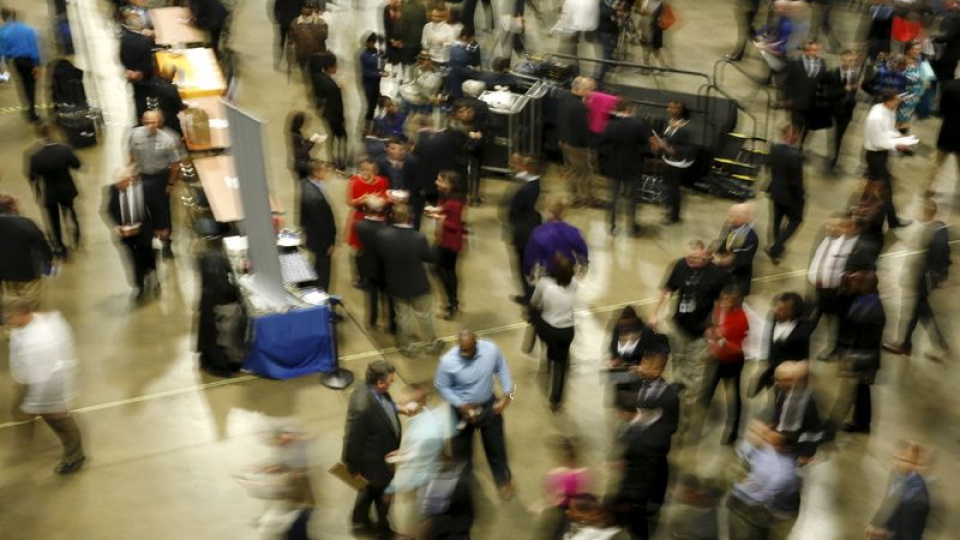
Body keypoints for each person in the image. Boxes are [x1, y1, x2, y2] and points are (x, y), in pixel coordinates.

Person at [4, 298, 86, 474]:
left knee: (58, 420)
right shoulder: (26, 324)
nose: (8, 321)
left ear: (24, 314)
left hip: (48, 385)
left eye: (11, 317)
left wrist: (33, 405)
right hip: (29, 379)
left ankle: (75, 456)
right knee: (18, 411)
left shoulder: (39, 342)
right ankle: (27, 445)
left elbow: (43, 379)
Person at [434, 330, 516, 500]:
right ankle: (464, 487)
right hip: (460, 412)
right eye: (462, 350)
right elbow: (441, 386)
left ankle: (504, 481)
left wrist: (508, 395)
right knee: (461, 454)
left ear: (476, 345)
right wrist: (459, 404)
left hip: (488, 407)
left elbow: (502, 367)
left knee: (497, 449)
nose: (464, 354)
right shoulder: (448, 361)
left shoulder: (490, 350)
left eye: (468, 350)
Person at [649, 240, 726, 417]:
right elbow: (666, 290)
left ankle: (689, 400)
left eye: (696, 258)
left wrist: (716, 326)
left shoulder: (715, 274)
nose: (691, 261)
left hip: (701, 331)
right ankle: (678, 391)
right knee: (678, 359)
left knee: (695, 367)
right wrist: (655, 314)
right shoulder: (679, 266)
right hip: (679, 325)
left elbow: (722, 302)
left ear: (704, 254)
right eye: (689, 257)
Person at [883, 200, 951, 361]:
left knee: (923, 312)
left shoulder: (935, 233)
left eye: (922, 211)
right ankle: (905, 345)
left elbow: (938, 258)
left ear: (928, 213)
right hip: (922, 279)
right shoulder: (936, 228)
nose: (919, 214)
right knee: (916, 312)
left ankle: (939, 346)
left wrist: (938, 277)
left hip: (924, 281)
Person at [807, 213, 880, 360]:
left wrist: (849, 289)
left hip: (839, 293)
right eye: (829, 224)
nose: (831, 228)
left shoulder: (858, 246)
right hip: (820, 289)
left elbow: (867, 273)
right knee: (815, 317)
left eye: (837, 226)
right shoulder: (827, 237)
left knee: (840, 322)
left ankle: (838, 349)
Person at [343, 360, 402, 539]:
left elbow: (383, 406)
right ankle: (384, 531)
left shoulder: (370, 387)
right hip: (375, 463)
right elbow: (352, 439)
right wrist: (352, 469)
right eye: (391, 381)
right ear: (380, 382)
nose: (392, 384)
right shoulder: (363, 407)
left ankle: (359, 518)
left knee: (367, 489)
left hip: (377, 458)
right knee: (383, 496)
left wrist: (398, 408)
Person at [608, 388, 676, 540]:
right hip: (643, 490)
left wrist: (627, 498)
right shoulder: (645, 420)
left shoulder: (643, 438)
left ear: (625, 413)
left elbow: (644, 472)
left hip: (639, 495)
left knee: (638, 530)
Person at [375, 204, 442, 355]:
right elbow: (430, 258)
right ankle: (431, 344)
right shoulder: (418, 238)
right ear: (410, 217)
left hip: (396, 284)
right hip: (418, 284)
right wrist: (437, 240)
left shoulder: (382, 235)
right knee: (425, 316)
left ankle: (406, 347)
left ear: (392, 217)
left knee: (402, 317)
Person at [830, 270, 885, 435]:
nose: (853, 283)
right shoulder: (866, 299)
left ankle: (859, 423)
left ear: (865, 286)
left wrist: (848, 353)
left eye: (857, 282)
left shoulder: (871, 308)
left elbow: (853, 328)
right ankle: (861, 422)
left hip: (864, 357)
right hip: (864, 355)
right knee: (861, 391)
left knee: (858, 391)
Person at [726, 421, 801, 540]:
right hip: (751, 504)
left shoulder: (783, 470)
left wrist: (743, 483)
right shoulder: (755, 443)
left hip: (780, 514)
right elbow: (735, 464)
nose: (751, 435)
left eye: (775, 442)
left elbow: (760, 496)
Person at [127, 109, 183, 259]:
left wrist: (171, 183)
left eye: (154, 122)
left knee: (162, 212)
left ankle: (166, 243)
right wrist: (131, 172)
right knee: (142, 211)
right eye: (147, 122)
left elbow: (176, 164)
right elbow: (132, 154)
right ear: (142, 121)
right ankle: (149, 238)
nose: (151, 126)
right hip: (142, 177)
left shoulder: (167, 140)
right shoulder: (135, 134)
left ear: (160, 122)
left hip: (159, 179)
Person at [700, 285, 749, 446]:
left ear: (735, 301)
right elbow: (712, 326)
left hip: (733, 362)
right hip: (717, 360)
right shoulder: (719, 310)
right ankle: (697, 427)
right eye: (721, 299)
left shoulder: (741, 319)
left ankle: (734, 430)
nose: (722, 302)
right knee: (707, 392)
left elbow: (739, 349)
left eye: (726, 300)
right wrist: (710, 338)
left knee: (733, 397)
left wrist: (720, 340)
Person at [530, 255, 579, 411]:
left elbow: (534, 303)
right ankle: (555, 399)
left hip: (547, 329)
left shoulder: (544, 285)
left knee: (551, 347)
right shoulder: (575, 285)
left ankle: (549, 358)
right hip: (566, 331)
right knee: (562, 364)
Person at [27, 124, 82, 258]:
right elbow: (77, 165)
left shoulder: (35, 156)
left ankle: (60, 248)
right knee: (70, 212)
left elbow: (32, 176)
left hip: (49, 193)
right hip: (67, 189)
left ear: (39, 136)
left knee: (53, 221)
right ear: (52, 133)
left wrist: (37, 191)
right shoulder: (64, 150)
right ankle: (76, 237)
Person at [104, 167, 157, 302]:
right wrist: (118, 227)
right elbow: (108, 209)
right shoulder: (113, 190)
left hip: (144, 232)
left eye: (121, 182)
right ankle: (139, 287)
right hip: (126, 236)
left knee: (148, 255)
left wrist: (158, 228)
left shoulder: (144, 188)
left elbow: (155, 207)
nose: (118, 186)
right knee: (133, 261)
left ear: (129, 179)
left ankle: (152, 272)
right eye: (117, 183)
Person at [863, 89, 914, 229]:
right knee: (886, 190)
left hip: (882, 154)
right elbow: (878, 141)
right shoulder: (876, 117)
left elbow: (888, 131)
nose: (898, 102)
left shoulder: (888, 111)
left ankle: (860, 211)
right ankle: (893, 221)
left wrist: (899, 136)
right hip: (875, 156)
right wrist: (899, 145)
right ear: (888, 100)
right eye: (896, 100)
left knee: (871, 184)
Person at [599, 101, 651, 236]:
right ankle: (631, 227)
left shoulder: (610, 125)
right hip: (633, 167)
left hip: (614, 167)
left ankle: (611, 225)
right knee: (632, 199)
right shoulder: (639, 126)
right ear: (629, 109)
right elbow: (646, 149)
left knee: (613, 197)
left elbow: (603, 146)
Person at [865, 442, 931, 540]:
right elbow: (887, 501)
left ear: (915, 464)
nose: (897, 464)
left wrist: (884, 533)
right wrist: (874, 523)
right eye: (895, 458)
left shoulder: (919, 501)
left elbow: (910, 536)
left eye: (904, 460)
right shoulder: (897, 474)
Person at [425, 171, 466, 319]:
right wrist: (438, 212)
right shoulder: (446, 197)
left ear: (450, 184)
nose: (437, 182)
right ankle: (452, 302)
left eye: (441, 181)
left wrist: (438, 216)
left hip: (450, 241)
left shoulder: (455, 201)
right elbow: (445, 211)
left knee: (439, 268)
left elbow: (453, 225)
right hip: (445, 239)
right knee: (447, 270)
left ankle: (452, 301)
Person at [754, 292, 814, 394]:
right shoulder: (774, 317)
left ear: (794, 312)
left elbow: (804, 358)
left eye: (783, 310)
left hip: (792, 378)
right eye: (777, 307)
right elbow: (770, 341)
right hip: (776, 373)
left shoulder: (804, 330)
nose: (776, 311)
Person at [0, 194, 52, 309]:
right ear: (13, 208)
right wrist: (49, 261)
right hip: (28, 273)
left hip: (4, 275)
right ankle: (27, 321)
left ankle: (15, 321)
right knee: (30, 302)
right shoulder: (25, 223)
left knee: (12, 301)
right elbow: (42, 245)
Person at [523, 197, 589, 286]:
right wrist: (583, 268)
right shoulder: (574, 232)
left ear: (547, 211)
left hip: (546, 273)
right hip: (567, 273)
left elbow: (530, 258)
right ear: (562, 212)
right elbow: (583, 254)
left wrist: (528, 274)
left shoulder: (538, 233)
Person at [505, 154, 542, 303]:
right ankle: (531, 293)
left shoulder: (525, 190)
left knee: (523, 265)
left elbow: (513, 211)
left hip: (523, 231)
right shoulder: (536, 183)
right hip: (531, 227)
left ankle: (529, 295)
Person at [765, 125, 804, 264]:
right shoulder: (795, 156)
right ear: (790, 136)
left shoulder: (774, 148)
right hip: (790, 197)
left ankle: (776, 248)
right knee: (796, 220)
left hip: (776, 191)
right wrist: (801, 197)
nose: (797, 138)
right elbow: (797, 182)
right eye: (796, 135)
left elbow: (768, 166)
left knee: (776, 221)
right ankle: (776, 248)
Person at [768, 361, 823, 462]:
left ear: (793, 381)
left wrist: (807, 454)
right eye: (775, 379)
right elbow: (778, 411)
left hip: (792, 446)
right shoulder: (780, 389)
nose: (776, 383)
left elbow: (813, 430)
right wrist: (772, 425)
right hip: (777, 441)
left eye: (780, 380)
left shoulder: (808, 401)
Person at [649, 100, 694, 224]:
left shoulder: (686, 127)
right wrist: (658, 143)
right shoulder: (669, 123)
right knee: (668, 186)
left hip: (678, 162)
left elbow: (687, 148)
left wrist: (671, 149)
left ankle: (674, 215)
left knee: (673, 188)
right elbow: (665, 138)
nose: (670, 110)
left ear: (680, 110)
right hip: (667, 159)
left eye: (674, 108)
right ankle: (669, 210)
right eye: (669, 107)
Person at [346, 159, 389, 282]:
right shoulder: (354, 181)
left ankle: (377, 274)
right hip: (360, 217)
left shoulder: (382, 181)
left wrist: (380, 201)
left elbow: (385, 197)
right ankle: (361, 277)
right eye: (364, 170)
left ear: (376, 171)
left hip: (378, 217)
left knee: (377, 247)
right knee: (360, 249)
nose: (367, 173)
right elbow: (349, 202)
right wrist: (361, 199)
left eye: (371, 170)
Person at [558, 77, 596, 208]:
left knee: (571, 171)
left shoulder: (565, 96)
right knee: (584, 173)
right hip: (576, 146)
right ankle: (585, 199)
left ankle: (575, 197)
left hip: (563, 140)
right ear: (578, 89)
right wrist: (589, 145)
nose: (589, 92)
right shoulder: (580, 107)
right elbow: (583, 130)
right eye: (586, 89)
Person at [299, 161, 337, 292]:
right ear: (316, 173)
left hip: (313, 234)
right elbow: (322, 223)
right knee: (323, 271)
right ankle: (322, 297)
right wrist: (329, 243)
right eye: (323, 170)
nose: (326, 173)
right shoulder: (315, 198)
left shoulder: (305, 183)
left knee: (318, 267)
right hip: (321, 240)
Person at [784, 40, 831, 144]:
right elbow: (788, 83)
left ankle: (799, 150)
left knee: (807, 132)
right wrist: (788, 100)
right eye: (810, 50)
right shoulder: (796, 63)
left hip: (812, 106)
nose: (813, 52)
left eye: (815, 50)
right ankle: (790, 149)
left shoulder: (822, 64)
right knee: (795, 129)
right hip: (798, 104)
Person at [0, 8, 41, 122]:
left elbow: (1, 50)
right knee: (31, 85)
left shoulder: (2, 32)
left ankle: (27, 106)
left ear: (3, 17)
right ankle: (32, 112)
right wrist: (36, 64)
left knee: (22, 84)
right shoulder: (27, 29)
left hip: (15, 62)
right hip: (28, 60)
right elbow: (34, 48)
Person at [309, 52, 347, 173]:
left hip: (326, 113)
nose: (337, 67)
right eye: (335, 65)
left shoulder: (318, 76)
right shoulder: (332, 87)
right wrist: (342, 118)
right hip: (334, 115)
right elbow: (337, 106)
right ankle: (339, 161)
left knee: (332, 134)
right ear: (330, 67)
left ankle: (333, 158)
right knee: (341, 136)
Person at [923, 78, 960, 195]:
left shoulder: (950, 85)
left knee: (936, 162)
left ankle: (927, 186)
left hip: (947, 130)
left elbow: (942, 109)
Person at [118, 10, 156, 122]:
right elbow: (147, 65)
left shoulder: (121, 39)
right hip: (142, 79)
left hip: (127, 76)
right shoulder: (144, 42)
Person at [828, 50, 862, 172]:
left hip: (848, 110)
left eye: (851, 61)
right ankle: (834, 157)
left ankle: (836, 154)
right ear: (842, 60)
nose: (848, 63)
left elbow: (853, 91)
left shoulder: (854, 74)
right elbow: (830, 93)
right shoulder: (835, 73)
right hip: (837, 110)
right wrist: (844, 89)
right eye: (846, 61)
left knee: (840, 135)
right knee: (837, 135)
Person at [714, 203, 759, 295]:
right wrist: (717, 253)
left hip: (738, 277)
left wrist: (721, 261)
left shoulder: (750, 238)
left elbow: (742, 262)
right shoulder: (733, 227)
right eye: (730, 215)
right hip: (727, 271)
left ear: (742, 218)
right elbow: (726, 242)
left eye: (733, 216)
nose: (729, 218)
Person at [146, 64, 187, 136]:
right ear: (173, 75)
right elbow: (178, 106)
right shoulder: (171, 89)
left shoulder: (152, 81)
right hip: (168, 119)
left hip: (152, 114)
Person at [287, 111, 325, 181]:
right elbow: (301, 151)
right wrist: (311, 141)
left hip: (300, 163)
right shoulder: (295, 136)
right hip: (300, 165)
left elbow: (302, 144)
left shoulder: (297, 132)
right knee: (304, 183)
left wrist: (311, 140)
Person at [290, 5, 328, 72]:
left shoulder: (320, 22)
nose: (306, 9)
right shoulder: (320, 22)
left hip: (310, 53)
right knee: (312, 72)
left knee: (313, 72)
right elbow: (324, 36)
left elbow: (324, 36)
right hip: (310, 53)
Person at [271, 0, 304, 66]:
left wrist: (277, 18)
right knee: (290, 43)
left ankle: (281, 61)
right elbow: (302, 7)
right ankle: (289, 62)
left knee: (283, 43)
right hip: (292, 22)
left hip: (285, 22)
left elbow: (276, 8)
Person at [360, 33, 382, 128]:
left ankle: (371, 121)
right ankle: (366, 125)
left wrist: (381, 70)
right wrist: (379, 74)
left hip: (377, 81)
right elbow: (365, 72)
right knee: (369, 105)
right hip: (368, 83)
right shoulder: (363, 55)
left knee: (374, 103)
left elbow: (378, 64)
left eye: (374, 43)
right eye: (371, 43)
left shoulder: (376, 51)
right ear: (367, 43)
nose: (373, 44)